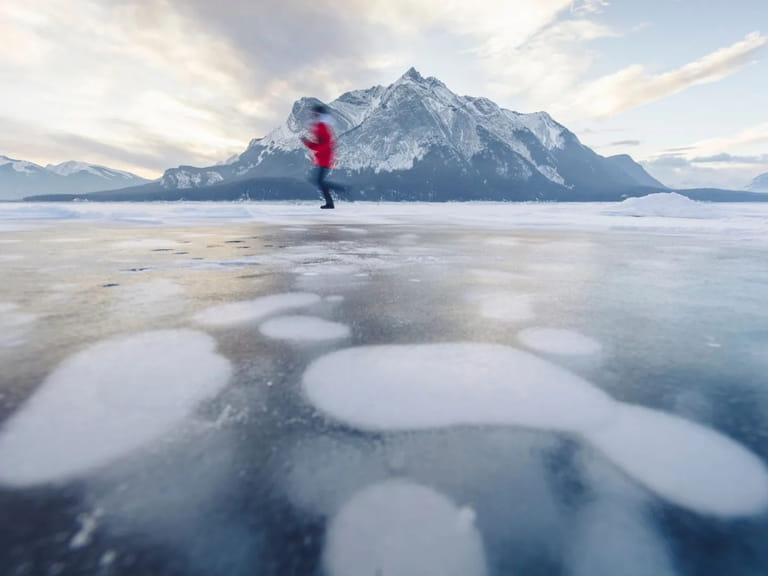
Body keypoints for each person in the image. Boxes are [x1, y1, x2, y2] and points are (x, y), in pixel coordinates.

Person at [301, 104, 344, 209]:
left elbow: (323, 144)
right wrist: (308, 143)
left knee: (319, 181)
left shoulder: (322, 127)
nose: (312, 115)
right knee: (319, 181)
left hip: (325, 158)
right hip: (323, 158)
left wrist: (308, 143)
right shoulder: (320, 127)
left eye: (314, 113)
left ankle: (338, 190)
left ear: (318, 114)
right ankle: (331, 201)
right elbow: (319, 145)